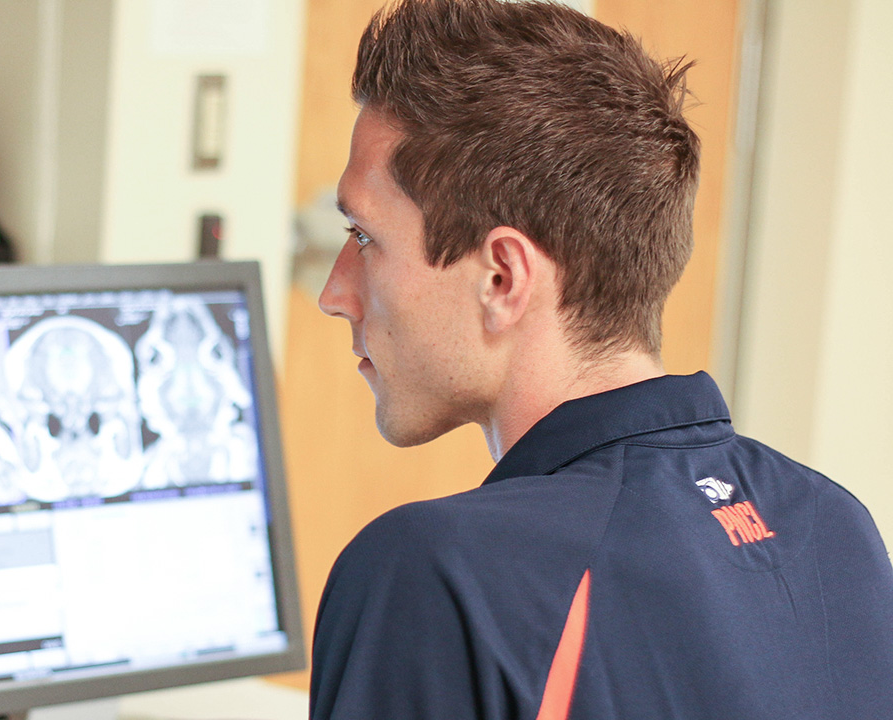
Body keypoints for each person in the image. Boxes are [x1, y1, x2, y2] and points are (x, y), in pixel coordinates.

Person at [310, 1, 893, 718]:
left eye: (362, 236)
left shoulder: (436, 574)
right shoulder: (832, 526)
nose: (335, 293)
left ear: (502, 278)